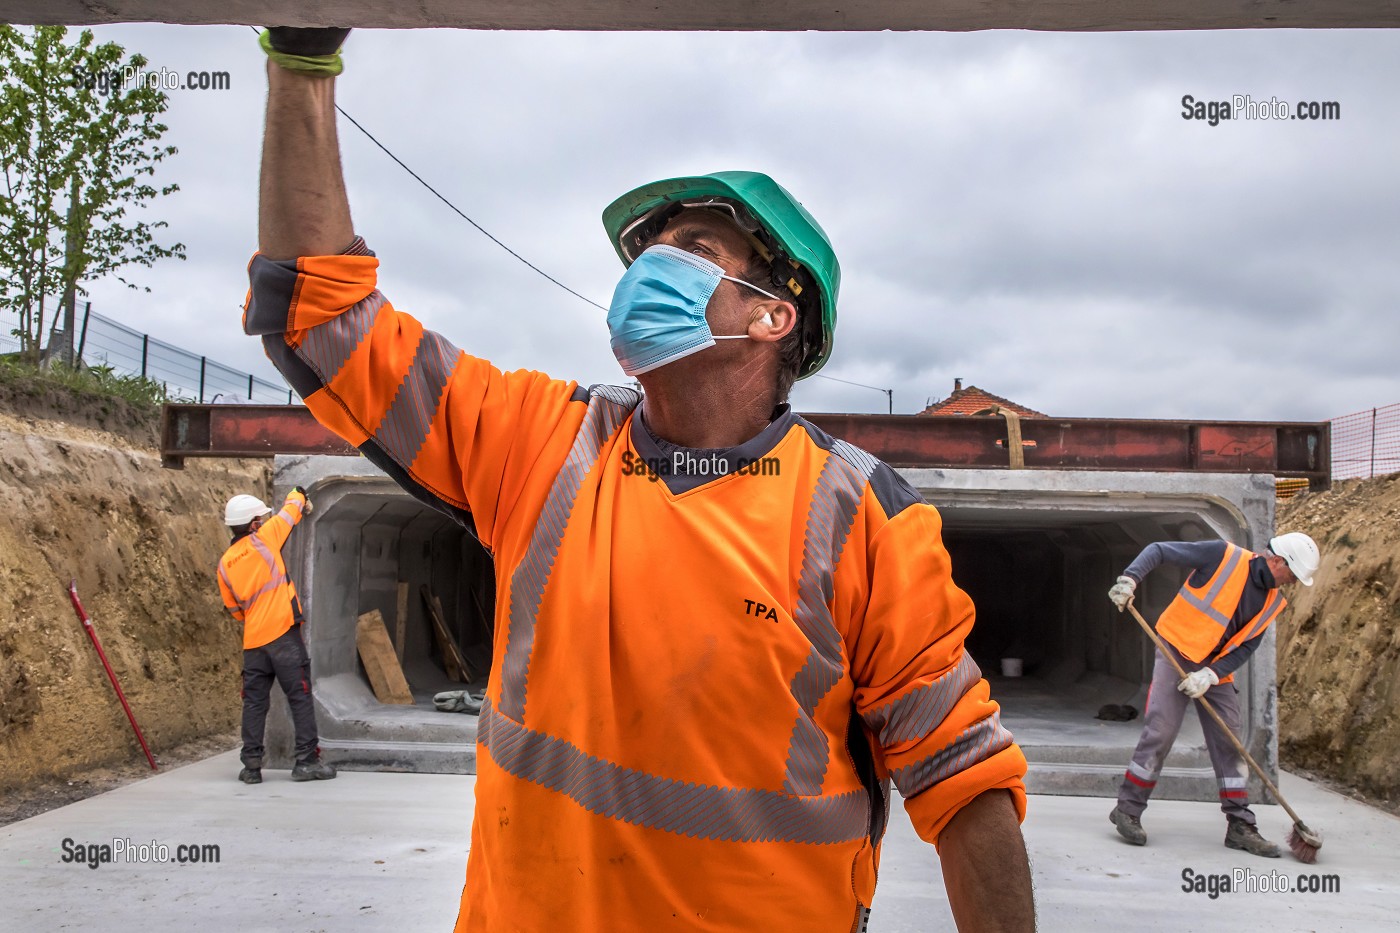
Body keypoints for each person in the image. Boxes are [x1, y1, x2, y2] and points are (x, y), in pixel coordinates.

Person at [246, 27, 1033, 931]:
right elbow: (325, 316)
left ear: (776, 314)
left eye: (690, 245)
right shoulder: (543, 445)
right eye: (647, 249)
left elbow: (965, 779)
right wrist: (301, 67)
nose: (650, 265)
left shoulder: (858, 516)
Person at [1106, 531, 1321, 858]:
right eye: (1291, 573)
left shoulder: (1273, 601)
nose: (1291, 581)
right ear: (1277, 560)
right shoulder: (1222, 555)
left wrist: (1211, 674)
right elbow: (1157, 548)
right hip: (1176, 648)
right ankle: (1128, 809)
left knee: (1229, 741)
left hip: (1214, 669)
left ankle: (1240, 824)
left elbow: (1247, 646)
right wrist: (1130, 579)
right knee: (1161, 730)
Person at [217, 486, 336, 784]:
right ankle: (306, 761)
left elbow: (234, 610)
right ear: (254, 523)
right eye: (260, 518)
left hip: (253, 644)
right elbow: (292, 508)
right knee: (300, 696)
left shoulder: (225, 564)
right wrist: (300, 492)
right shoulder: (265, 539)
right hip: (282, 636)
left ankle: (252, 767)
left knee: (255, 703)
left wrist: (258, 617)